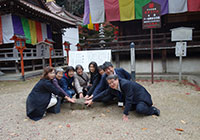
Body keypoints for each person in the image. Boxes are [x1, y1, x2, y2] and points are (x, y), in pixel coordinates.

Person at [85, 75, 160, 121]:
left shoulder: (125, 84)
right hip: (134, 99)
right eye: (109, 83)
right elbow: (104, 93)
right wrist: (92, 100)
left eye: (112, 82)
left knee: (139, 109)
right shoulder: (112, 87)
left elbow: (128, 98)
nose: (111, 84)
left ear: (117, 79)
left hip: (142, 97)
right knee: (128, 107)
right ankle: (134, 107)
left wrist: (125, 114)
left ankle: (153, 110)